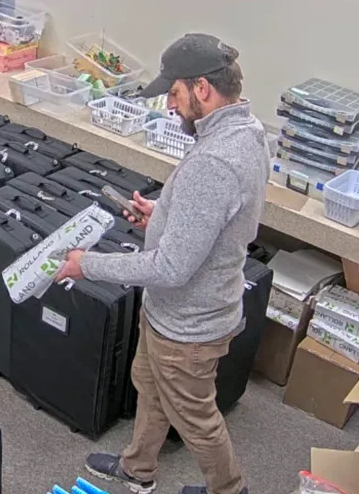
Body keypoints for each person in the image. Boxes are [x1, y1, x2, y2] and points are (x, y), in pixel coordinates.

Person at [56, 34, 268, 494]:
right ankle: (138, 470)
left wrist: (87, 265)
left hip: (188, 326)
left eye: (174, 93)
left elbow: (171, 268)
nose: (171, 106)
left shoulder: (214, 160)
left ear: (203, 89)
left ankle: (230, 491)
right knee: (148, 386)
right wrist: (163, 215)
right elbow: (218, 216)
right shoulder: (245, 132)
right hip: (181, 310)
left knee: (197, 420)